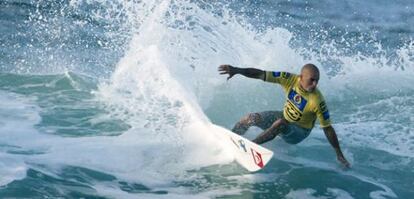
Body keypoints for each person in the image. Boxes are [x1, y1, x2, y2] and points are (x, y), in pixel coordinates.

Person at [218, 64, 350, 168]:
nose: (315, 84)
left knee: (281, 123)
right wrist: (236, 70)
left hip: (299, 132)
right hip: (285, 118)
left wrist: (339, 153)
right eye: (312, 80)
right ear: (301, 77)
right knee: (250, 118)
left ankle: (250, 148)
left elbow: (327, 128)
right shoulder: (289, 79)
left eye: (317, 81)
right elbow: (260, 74)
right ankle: (230, 140)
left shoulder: (317, 100)